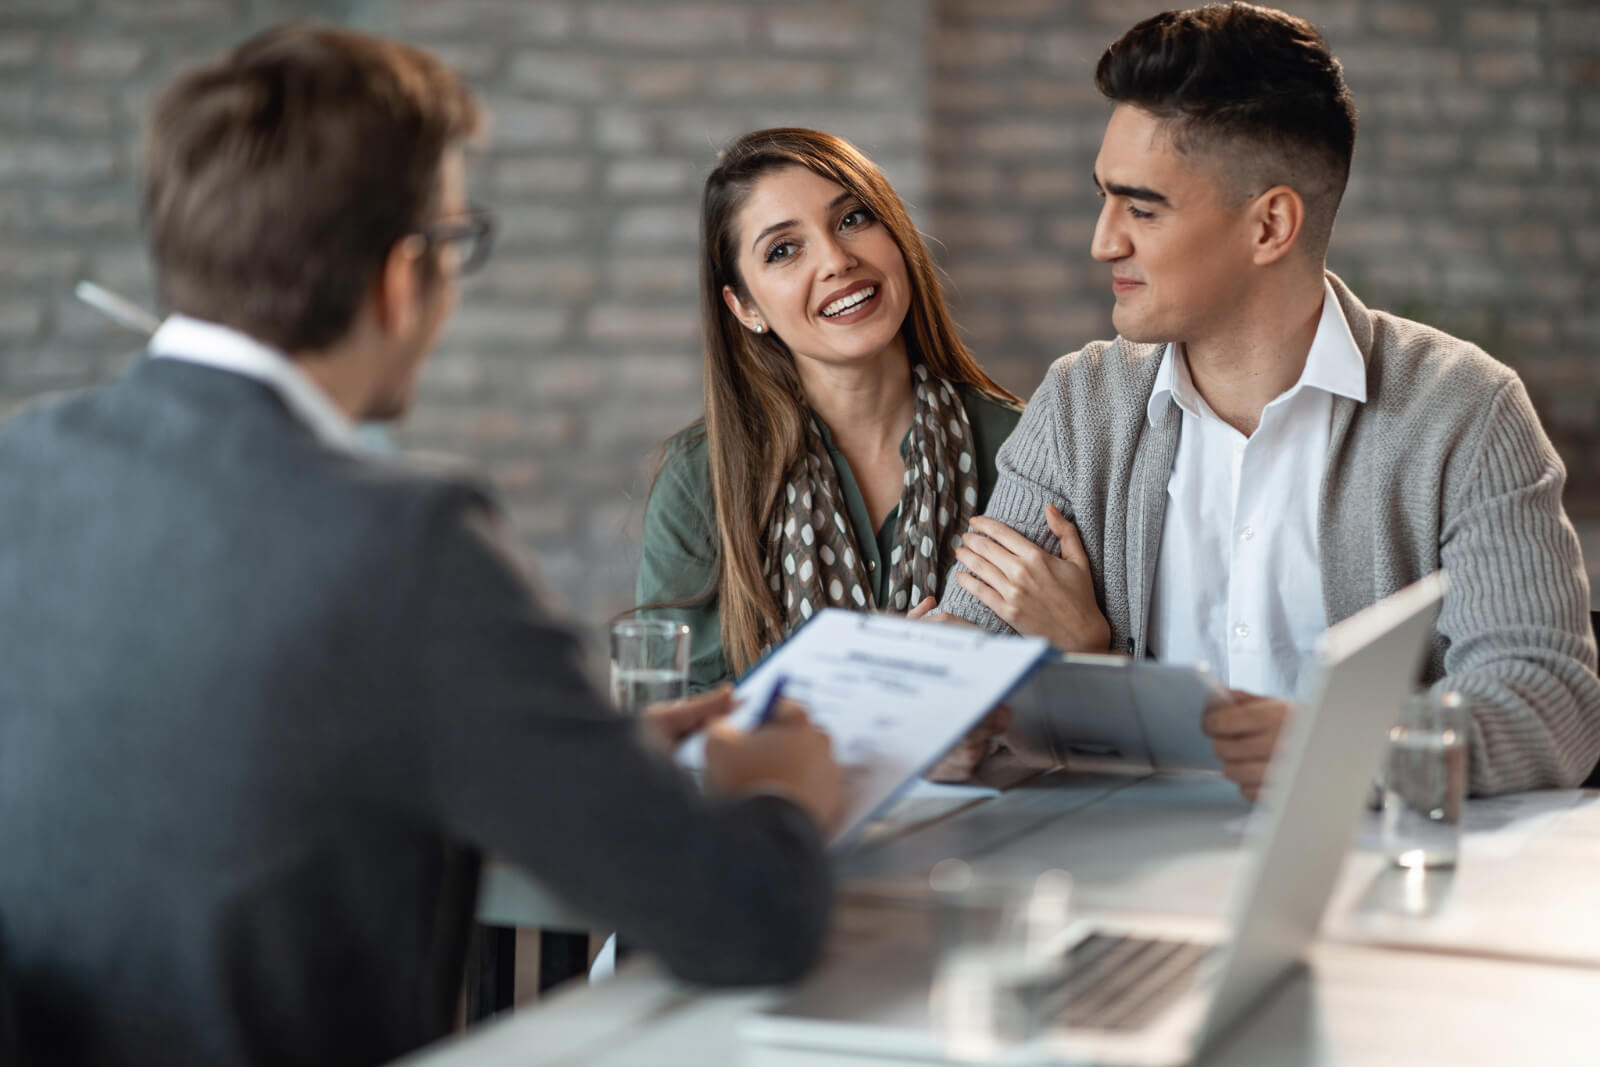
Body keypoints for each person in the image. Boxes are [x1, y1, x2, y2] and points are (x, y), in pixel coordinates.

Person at [0, 26, 843, 1067]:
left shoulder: (20, 462)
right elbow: (748, 919)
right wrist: (781, 791)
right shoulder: (407, 543)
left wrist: (577, 752)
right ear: (404, 278)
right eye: (455, 240)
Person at [936, 3, 1600, 799]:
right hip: (1119, 878)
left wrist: (1340, 751)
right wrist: (938, 714)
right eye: (1104, 199)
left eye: (1141, 208)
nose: (1102, 239)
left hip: (1372, 888)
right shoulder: (1079, 407)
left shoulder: (1466, 413)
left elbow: (1551, 701)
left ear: (1270, 226)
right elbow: (963, 655)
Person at [636, 128, 1023, 697]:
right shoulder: (700, 480)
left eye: (852, 220)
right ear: (744, 307)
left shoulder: (1021, 446)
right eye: (783, 250)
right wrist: (850, 694)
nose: (837, 261)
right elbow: (666, 721)